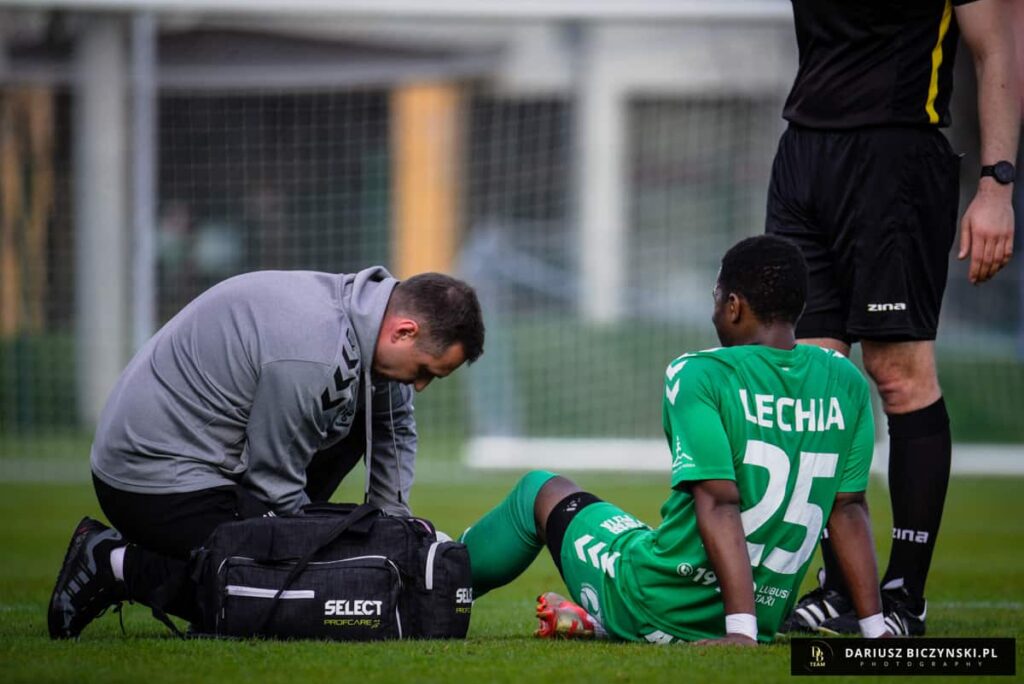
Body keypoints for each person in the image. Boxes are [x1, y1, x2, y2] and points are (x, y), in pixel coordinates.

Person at [458, 235, 890, 644]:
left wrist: (739, 633)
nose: (714, 311)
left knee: (541, 490)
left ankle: (439, 584)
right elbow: (849, 509)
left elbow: (719, 502)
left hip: (660, 607)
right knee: (645, 535)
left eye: (716, 298)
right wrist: (876, 632)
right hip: (762, 617)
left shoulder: (701, 373)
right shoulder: (845, 379)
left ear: (734, 306)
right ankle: (597, 619)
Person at [49, 267, 485, 639]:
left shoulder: (366, 320)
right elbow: (274, 485)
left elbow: (393, 426)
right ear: (404, 331)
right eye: (425, 371)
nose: (421, 385)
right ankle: (113, 562)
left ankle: (257, 566)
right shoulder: (314, 352)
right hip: (150, 478)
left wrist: (395, 532)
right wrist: (315, 566)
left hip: (221, 463)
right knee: (300, 598)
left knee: (318, 571)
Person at [766, 0, 1019, 636]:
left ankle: (905, 596)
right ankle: (840, 589)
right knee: (811, 379)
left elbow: (996, 48)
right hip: (803, 153)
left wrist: (996, 186)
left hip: (897, 155)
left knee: (898, 374)